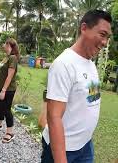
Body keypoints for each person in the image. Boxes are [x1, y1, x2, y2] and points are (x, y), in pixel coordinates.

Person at [41, 10, 112, 163]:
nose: (105, 42)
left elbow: (91, 100)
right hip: (64, 150)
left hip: (85, 145)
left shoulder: (90, 64)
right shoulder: (64, 64)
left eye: (107, 37)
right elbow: (54, 118)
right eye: (102, 34)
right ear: (84, 28)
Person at [0, 38, 19, 143]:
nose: (4, 45)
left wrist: (3, 90)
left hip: (8, 89)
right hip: (0, 86)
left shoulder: (13, 58)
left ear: (11, 47)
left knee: (7, 109)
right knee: (0, 105)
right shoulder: (6, 57)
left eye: (6, 44)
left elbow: (10, 76)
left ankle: (10, 133)